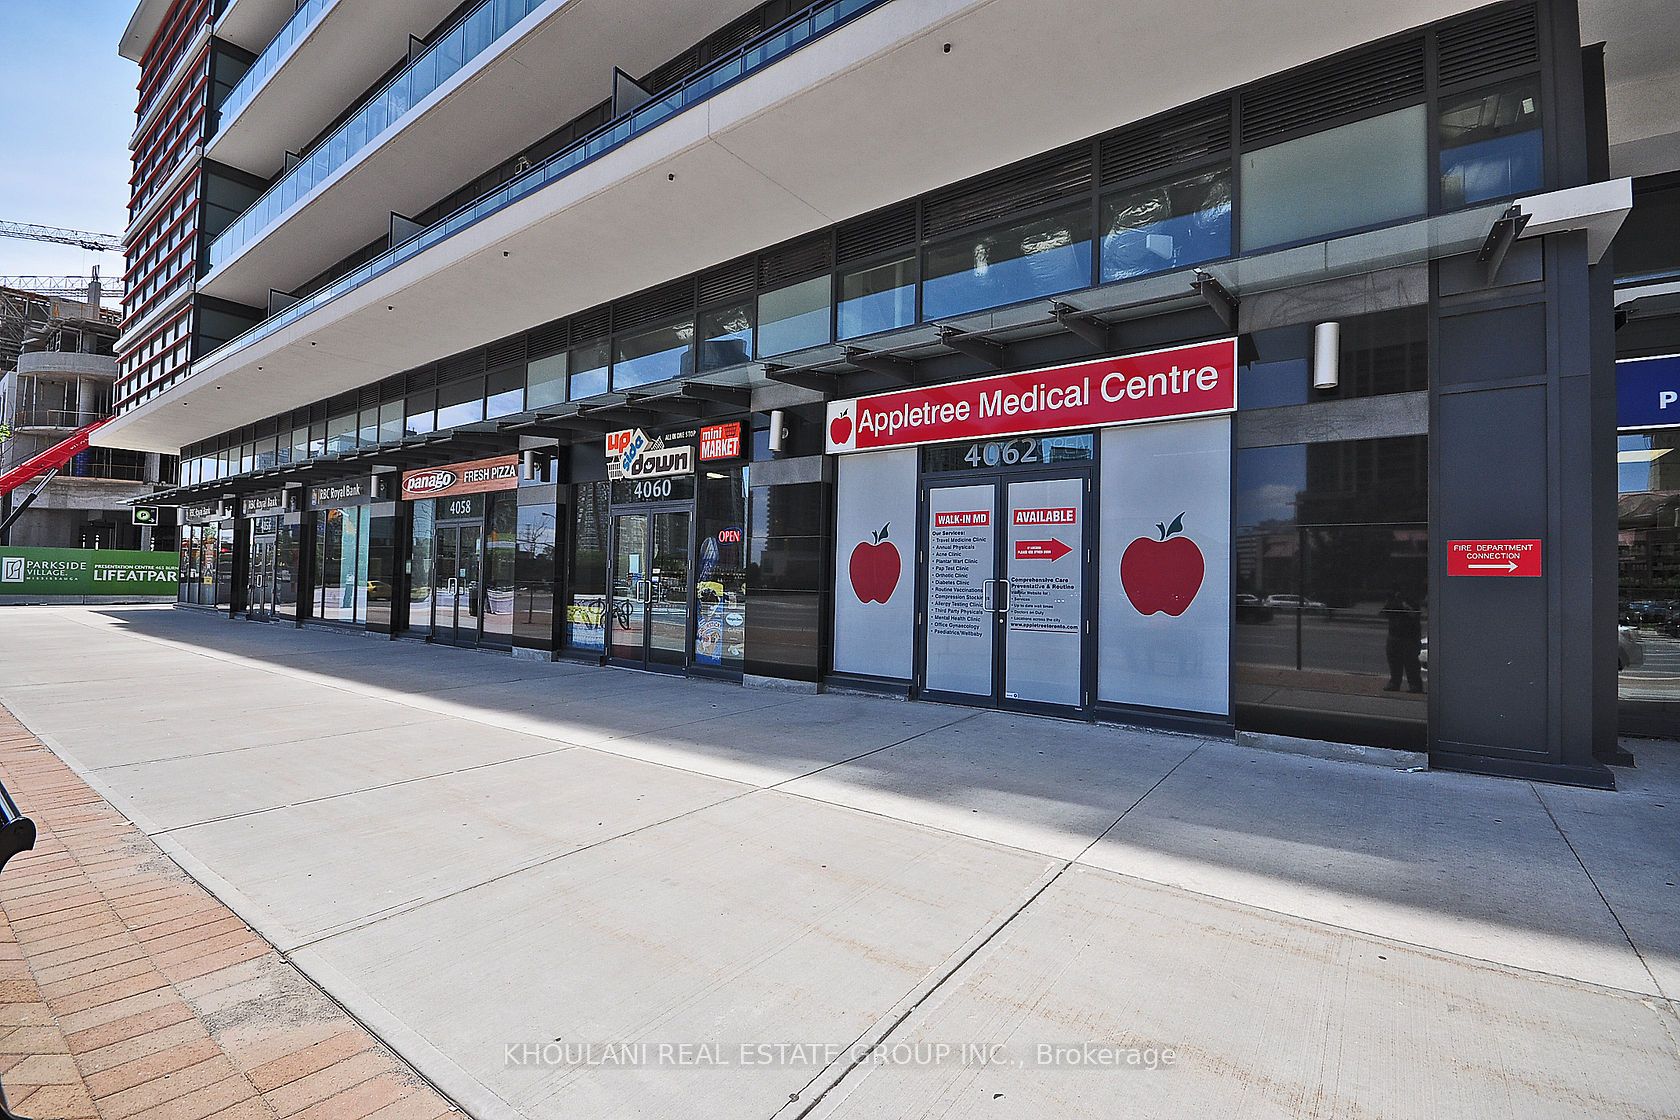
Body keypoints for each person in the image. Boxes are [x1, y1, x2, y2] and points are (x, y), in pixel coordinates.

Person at [1382, 589, 1424, 693]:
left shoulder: (1411, 600)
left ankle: (1415, 685)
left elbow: (1414, 614)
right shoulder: (1392, 601)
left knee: (1411, 662)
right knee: (1394, 660)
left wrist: (1404, 604)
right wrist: (1391, 604)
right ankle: (1394, 683)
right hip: (1394, 634)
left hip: (1409, 636)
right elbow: (1384, 613)